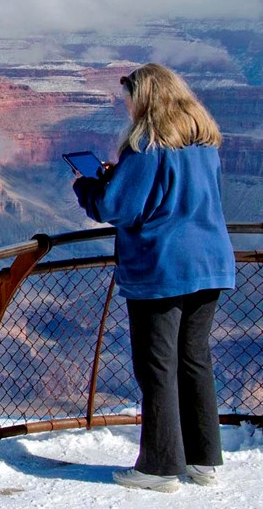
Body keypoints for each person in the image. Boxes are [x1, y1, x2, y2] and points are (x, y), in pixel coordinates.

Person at [72, 63, 235, 493]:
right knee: (194, 359)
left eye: (128, 97)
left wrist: (88, 186)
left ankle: (161, 468)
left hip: (163, 267)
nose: (125, 106)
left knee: (157, 365)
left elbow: (116, 208)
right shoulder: (204, 143)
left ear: (144, 98)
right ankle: (204, 461)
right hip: (212, 262)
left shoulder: (146, 145)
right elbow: (175, 194)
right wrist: (119, 178)